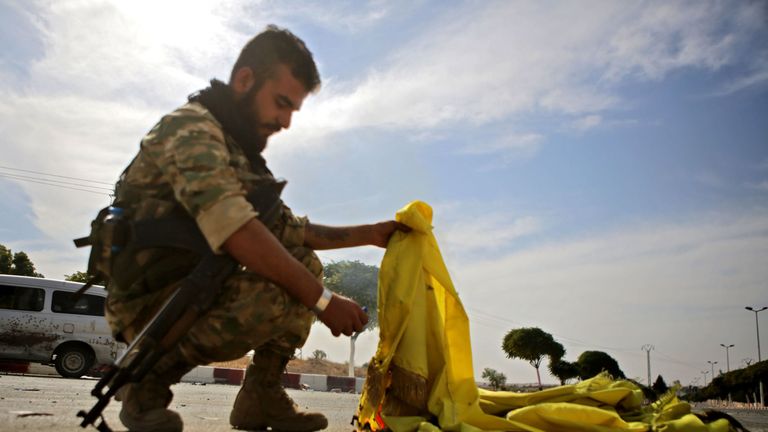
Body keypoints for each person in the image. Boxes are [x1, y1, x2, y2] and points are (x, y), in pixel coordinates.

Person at [103, 25, 403, 432]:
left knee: (304, 264)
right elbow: (237, 231)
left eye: (293, 110)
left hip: (191, 289)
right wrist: (325, 302)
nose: (285, 121)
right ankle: (145, 382)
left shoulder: (237, 151)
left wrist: (372, 233)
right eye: (281, 103)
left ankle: (260, 396)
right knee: (291, 289)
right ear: (245, 80)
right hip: (150, 303)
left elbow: (290, 230)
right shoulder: (191, 129)